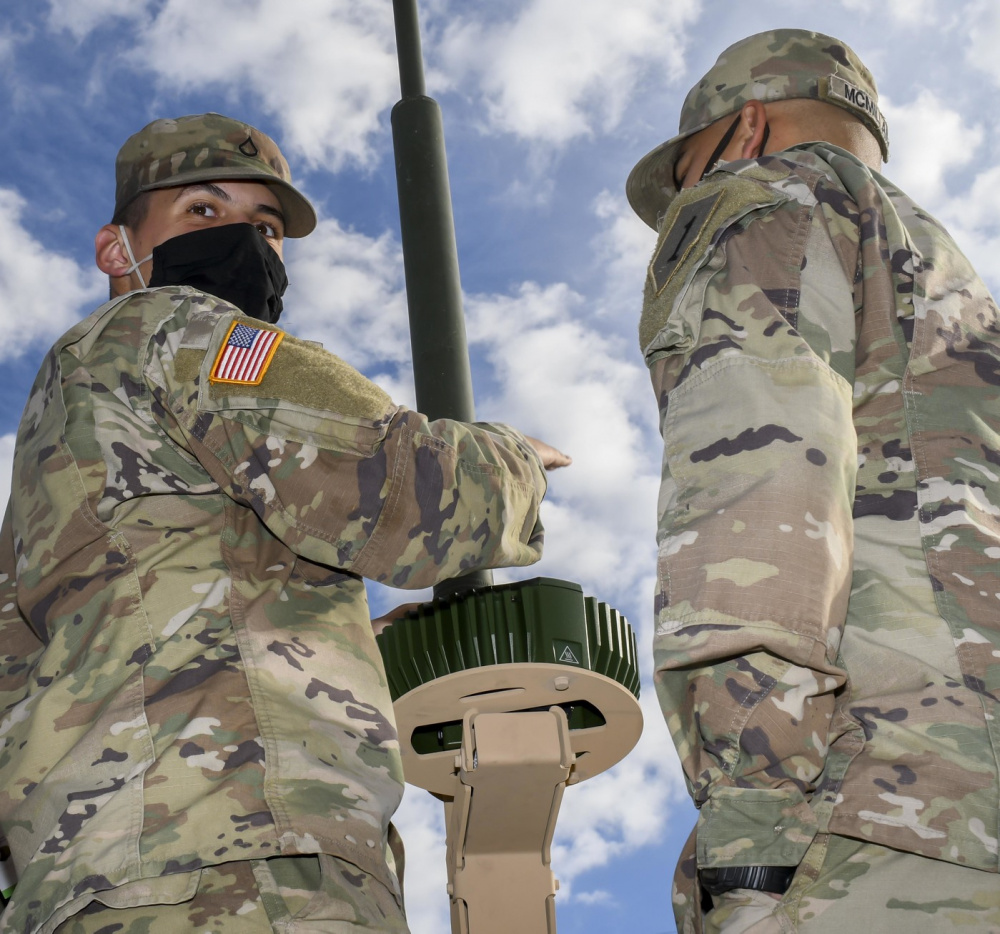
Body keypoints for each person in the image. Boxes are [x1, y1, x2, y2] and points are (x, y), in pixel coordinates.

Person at [0, 112, 568, 934]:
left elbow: (96, 642)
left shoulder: (56, 440)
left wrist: (354, 641)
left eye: (264, 226)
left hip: (90, 882)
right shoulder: (177, 328)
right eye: (203, 210)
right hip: (241, 861)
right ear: (117, 250)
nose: (245, 239)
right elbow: (400, 493)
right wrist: (512, 461)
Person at [626, 29, 1000, 934]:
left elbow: (757, 487)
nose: (687, 194)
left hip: (877, 817)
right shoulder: (953, 283)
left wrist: (754, 819)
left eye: (685, 173)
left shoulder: (759, 196)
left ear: (744, 127)